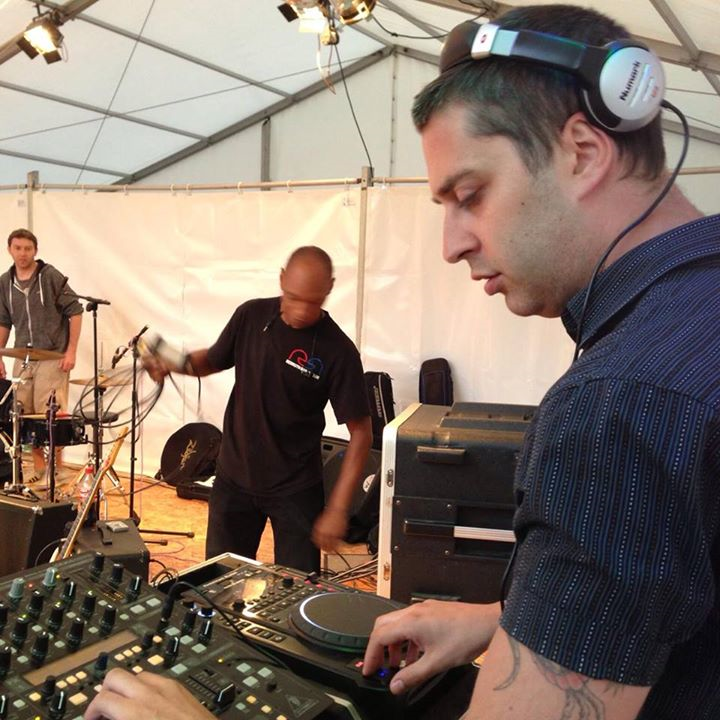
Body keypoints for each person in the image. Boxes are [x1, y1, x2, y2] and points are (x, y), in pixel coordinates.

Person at [360, 5, 719, 720]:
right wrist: (505, 619)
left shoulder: (620, 399)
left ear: (583, 151)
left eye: (470, 196)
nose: (452, 245)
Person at [147, 245, 372, 573]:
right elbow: (212, 360)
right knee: (218, 580)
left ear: (330, 289)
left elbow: (361, 433)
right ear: (281, 279)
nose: (301, 311)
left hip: (296, 488)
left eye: (313, 302)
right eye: (293, 298)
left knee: (297, 588)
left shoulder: (339, 351)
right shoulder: (251, 316)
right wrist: (174, 363)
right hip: (233, 478)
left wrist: (337, 509)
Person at [0, 228, 83, 480]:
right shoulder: (5, 282)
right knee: (24, 415)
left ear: (35, 250)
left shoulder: (49, 276)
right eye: (18, 248)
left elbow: (75, 311)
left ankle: (55, 470)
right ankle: (39, 469)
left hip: (53, 356)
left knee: (51, 414)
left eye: (28, 248)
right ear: (9, 250)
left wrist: (71, 351)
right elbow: (4, 322)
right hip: (23, 357)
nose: (23, 253)